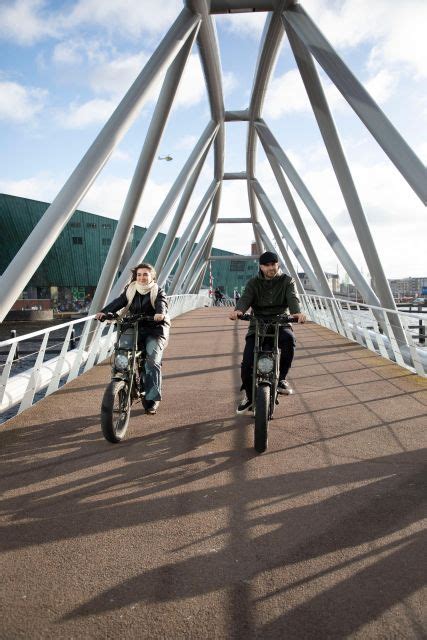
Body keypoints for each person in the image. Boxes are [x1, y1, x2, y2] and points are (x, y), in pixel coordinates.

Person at [229, 251, 306, 414]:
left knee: (289, 341)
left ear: (278, 264)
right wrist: (238, 310)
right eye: (267, 265)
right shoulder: (253, 283)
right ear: (261, 267)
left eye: (274, 264)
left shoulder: (287, 281)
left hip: (280, 322)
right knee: (247, 363)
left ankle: (282, 379)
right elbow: (245, 298)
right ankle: (250, 396)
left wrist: (296, 313)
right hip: (258, 324)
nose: (271, 267)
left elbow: (293, 298)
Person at [95, 263, 170, 415]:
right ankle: (124, 383)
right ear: (136, 276)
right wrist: (104, 312)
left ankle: (152, 399)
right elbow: (119, 302)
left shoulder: (158, 291)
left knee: (152, 362)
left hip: (155, 329)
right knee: (122, 354)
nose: (142, 277)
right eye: (139, 274)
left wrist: (159, 313)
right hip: (133, 327)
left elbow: (162, 303)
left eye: (145, 274)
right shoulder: (130, 290)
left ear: (152, 277)